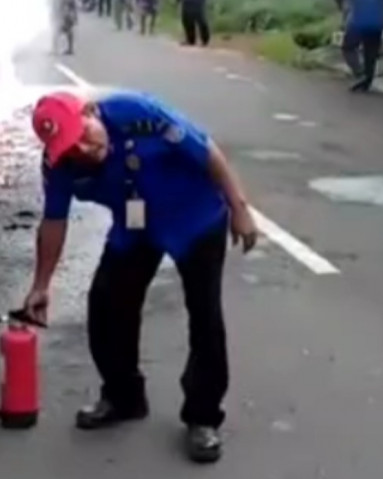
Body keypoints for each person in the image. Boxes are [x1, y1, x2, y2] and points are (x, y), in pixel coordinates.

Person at [22, 90, 259, 464]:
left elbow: (208, 151)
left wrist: (239, 208)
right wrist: (40, 285)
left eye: (85, 133)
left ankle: (203, 417)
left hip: (195, 218)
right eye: (71, 146)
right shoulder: (60, 163)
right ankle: (123, 397)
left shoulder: (139, 115)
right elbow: (53, 221)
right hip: (136, 228)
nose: (83, 148)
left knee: (205, 316)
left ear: (90, 111)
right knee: (106, 305)